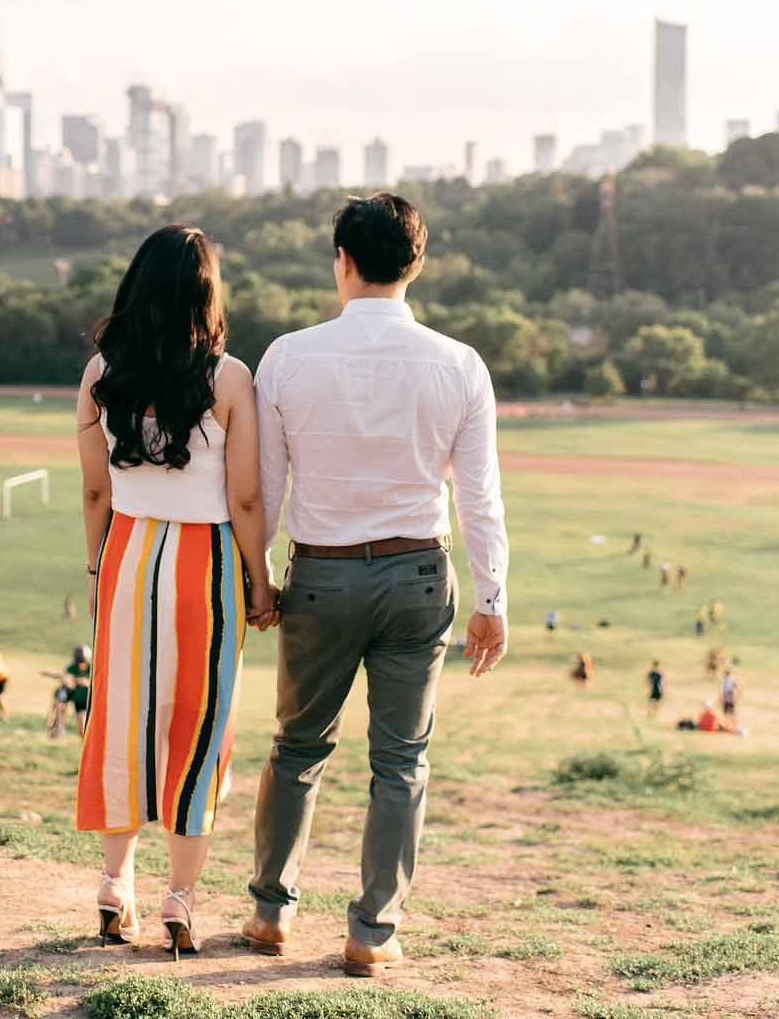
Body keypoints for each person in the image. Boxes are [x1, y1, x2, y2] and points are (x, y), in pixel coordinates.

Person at [243, 194, 510, 979]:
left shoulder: (287, 356)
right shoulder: (460, 363)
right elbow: (480, 497)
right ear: (416, 264)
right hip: (418, 574)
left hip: (319, 574)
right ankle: (371, 929)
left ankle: (270, 911)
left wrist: (258, 578)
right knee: (400, 760)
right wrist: (493, 597)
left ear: (342, 260)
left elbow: (263, 486)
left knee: (296, 747)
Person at [75, 225, 277, 958]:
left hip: (128, 552)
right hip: (206, 563)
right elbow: (247, 497)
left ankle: (112, 883)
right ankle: (179, 898)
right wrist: (261, 582)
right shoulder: (229, 378)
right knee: (198, 723)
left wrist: (99, 569)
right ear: (206, 292)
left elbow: (96, 487)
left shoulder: (101, 372)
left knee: (122, 717)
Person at [64, 643, 93, 735]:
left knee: (87, 724)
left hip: (90, 701)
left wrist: (87, 683)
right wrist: (73, 681)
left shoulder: (92, 668)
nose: (81, 665)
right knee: (81, 727)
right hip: (79, 701)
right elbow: (67, 680)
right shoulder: (72, 668)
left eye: (83, 662)